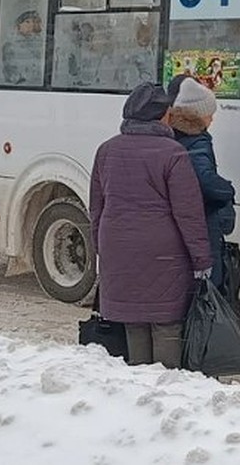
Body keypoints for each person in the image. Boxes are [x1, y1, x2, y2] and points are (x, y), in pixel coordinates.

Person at [89, 83, 212, 369]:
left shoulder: (106, 150)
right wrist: (202, 259)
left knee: (134, 323)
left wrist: (101, 247)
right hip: (162, 252)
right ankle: (164, 391)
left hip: (118, 247)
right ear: (162, 116)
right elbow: (189, 213)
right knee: (166, 324)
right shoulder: (173, 153)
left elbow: (97, 207)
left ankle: (139, 390)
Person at [167, 76, 236, 296]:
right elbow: (204, 180)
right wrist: (227, 189)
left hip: (179, 219)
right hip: (203, 221)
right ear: (196, 114)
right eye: (209, 113)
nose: (212, 119)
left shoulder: (170, 133)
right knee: (208, 289)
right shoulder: (197, 139)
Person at [0, 10, 43, 85]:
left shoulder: (36, 44)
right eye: (27, 22)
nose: (31, 25)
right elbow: (11, 72)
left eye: (32, 22)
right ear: (19, 24)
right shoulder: (10, 45)